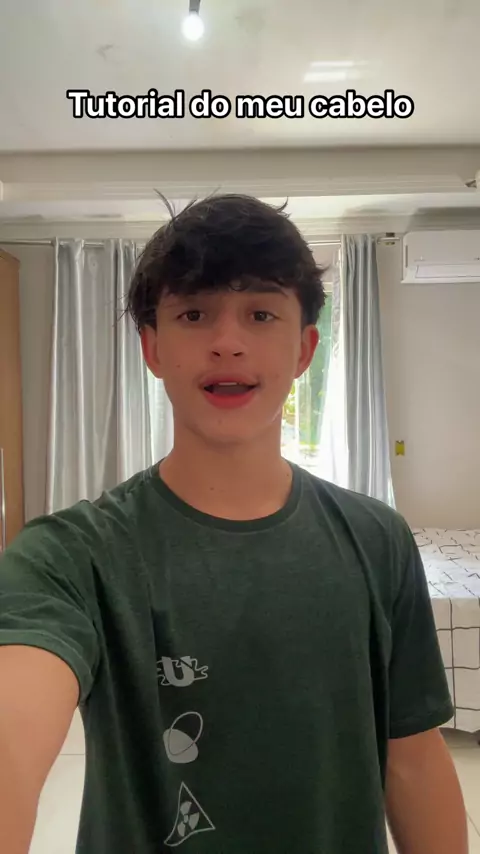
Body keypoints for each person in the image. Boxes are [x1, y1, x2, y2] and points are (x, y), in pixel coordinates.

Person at [0, 194, 468, 854]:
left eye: (261, 313)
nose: (227, 342)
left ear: (304, 349)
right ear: (152, 347)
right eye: (194, 314)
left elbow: (413, 758)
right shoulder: (71, 554)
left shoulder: (378, 539)